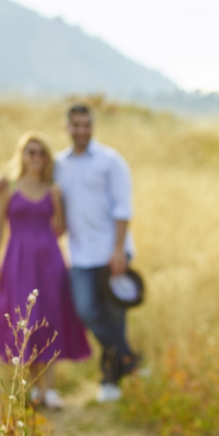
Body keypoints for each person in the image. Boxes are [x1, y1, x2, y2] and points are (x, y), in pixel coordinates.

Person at [0, 132, 91, 408]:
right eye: (31, 152)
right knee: (26, 323)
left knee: (49, 319)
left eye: (41, 153)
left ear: (47, 159)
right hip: (17, 261)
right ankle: (33, 388)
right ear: (22, 155)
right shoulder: (8, 188)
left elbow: (62, 228)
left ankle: (50, 389)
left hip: (48, 262)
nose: (36, 157)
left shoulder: (53, 190)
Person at [56, 103, 137, 402]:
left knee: (115, 318)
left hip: (112, 252)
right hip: (79, 255)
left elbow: (123, 208)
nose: (81, 130)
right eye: (75, 125)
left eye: (86, 124)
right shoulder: (59, 165)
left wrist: (118, 250)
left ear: (92, 126)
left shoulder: (110, 161)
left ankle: (110, 381)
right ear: (66, 127)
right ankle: (131, 360)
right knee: (87, 311)